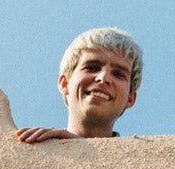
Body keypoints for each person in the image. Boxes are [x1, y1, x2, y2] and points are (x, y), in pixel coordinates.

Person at [15, 28, 144, 142]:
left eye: (118, 74)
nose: (103, 78)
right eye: (92, 68)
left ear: (130, 98)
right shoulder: (35, 148)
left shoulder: (141, 162)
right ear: (65, 83)